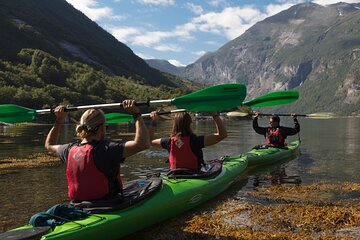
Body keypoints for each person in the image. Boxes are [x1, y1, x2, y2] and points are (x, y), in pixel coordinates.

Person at [45, 100, 150, 202]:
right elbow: (143, 144)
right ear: (101, 128)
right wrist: (136, 114)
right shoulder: (108, 149)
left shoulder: (68, 149)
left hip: (79, 205)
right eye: (106, 127)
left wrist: (59, 120)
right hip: (108, 205)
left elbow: (49, 145)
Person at [148, 111, 227, 171]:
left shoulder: (168, 142)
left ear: (174, 124)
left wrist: (154, 121)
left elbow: (148, 141)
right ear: (190, 124)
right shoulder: (196, 141)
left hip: (174, 175)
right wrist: (215, 115)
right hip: (195, 175)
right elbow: (222, 135)